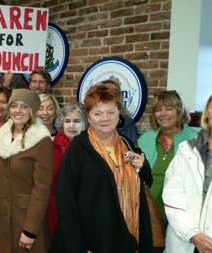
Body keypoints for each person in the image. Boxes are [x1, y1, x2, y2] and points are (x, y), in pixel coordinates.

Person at [51, 83, 153, 253]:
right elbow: (66, 203)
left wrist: (143, 167)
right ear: (88, 118)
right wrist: (80, 247)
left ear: (118, 114)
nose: (104, 118)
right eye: (97, 113)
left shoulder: (127, 144)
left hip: (129, 239)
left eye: (110, 112)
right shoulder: (78, 150)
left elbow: (147, 181)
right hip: (95, 242)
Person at [162, 88, 212, 253]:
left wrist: (211, 243)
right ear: (207, 114)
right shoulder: (187, 150)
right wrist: (192, 234)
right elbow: (173, 194)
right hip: (183, 242)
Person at [0, 88, 53, 253]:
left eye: (24, 106)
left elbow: (42, 189)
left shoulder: (41, 140)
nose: (17, 111)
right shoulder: (1, 136)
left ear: (32, 111)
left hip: (25, 220)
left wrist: (30, 230)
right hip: (1, 219)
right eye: (14, 105)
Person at [138, 90, 198, 224]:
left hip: (181, 212)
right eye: (158, 110)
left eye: (169, 109)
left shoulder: (196, 139)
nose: (163, 114)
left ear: (180, 111)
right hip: (147, 210)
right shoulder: (145, 139)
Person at [47, 103, 87, 238]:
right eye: (67, 121)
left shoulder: (92, 148)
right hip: (55, 210)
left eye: (77, 121)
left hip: (84, 211)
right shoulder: (51, 148)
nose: (71, 126)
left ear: (86, 123)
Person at [102, 79, 139, 143]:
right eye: (105, 92)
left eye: (114, 92)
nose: (110, 95)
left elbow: (132, 149)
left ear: (119, 97)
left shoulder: (128, 123)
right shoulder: (93, 120)